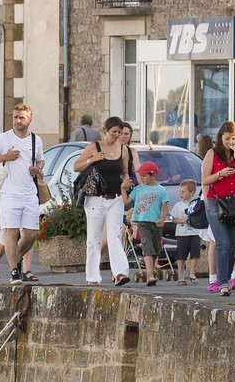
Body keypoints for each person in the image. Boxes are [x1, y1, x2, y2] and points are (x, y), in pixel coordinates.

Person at [73, 117, 136, 287]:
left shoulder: (123, 149)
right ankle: (92, 276)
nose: (117, 135)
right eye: (114, 132)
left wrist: (126, 181)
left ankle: (121, 273)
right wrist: (92, 159)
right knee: (94, 239)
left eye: (120, 132)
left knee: (115, 235)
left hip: (115, 198)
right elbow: (76, 166)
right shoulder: (95, 146)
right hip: (95, 199)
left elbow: (124, 172)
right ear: (105, 130)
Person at [0, 102, 45, 283]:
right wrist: (5, 157)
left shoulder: (35, 140)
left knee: (31, 235)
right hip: (9, 193)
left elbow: (41, 161)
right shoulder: (3, 138)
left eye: (21, 117)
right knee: (12, 233)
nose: (17, 121)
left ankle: (15, 258)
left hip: (29, 192)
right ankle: (15, 270)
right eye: (15, 117)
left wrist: (36, 169)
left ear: (29, 120)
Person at [197, 121, 235, 295]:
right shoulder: (212, 154)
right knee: (223, 243)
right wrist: (220, 174)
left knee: (234, 245)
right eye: (227, 139)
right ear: (220, 137)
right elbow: (204, 180)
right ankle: (222, 284)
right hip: (215, 202)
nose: (230, 142)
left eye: (233, 139)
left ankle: (225, 279)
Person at [127, 161, 170, 285]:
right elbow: (126, 201)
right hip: (142, 222)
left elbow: (165, 208)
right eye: (140, 175)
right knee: (147, 246)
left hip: (156, 223)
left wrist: (162, 219)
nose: (141, 178)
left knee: (156, 247)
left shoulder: (161, 190)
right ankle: (150, 276)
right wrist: (122, 188)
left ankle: (153, 267)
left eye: (144, 175)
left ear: (153, 176)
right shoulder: (138, 189)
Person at [168, 179, 201, 284]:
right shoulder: (178, 205)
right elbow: (173, 219)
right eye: (180, 192)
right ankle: (181, 276)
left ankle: (192, 272)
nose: (180, 194)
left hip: (195, 232)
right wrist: (182, 220)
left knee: (195, 254)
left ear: (191, 192)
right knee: (181, 255)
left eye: (183, 192)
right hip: (182, 234)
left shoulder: (197, 204)